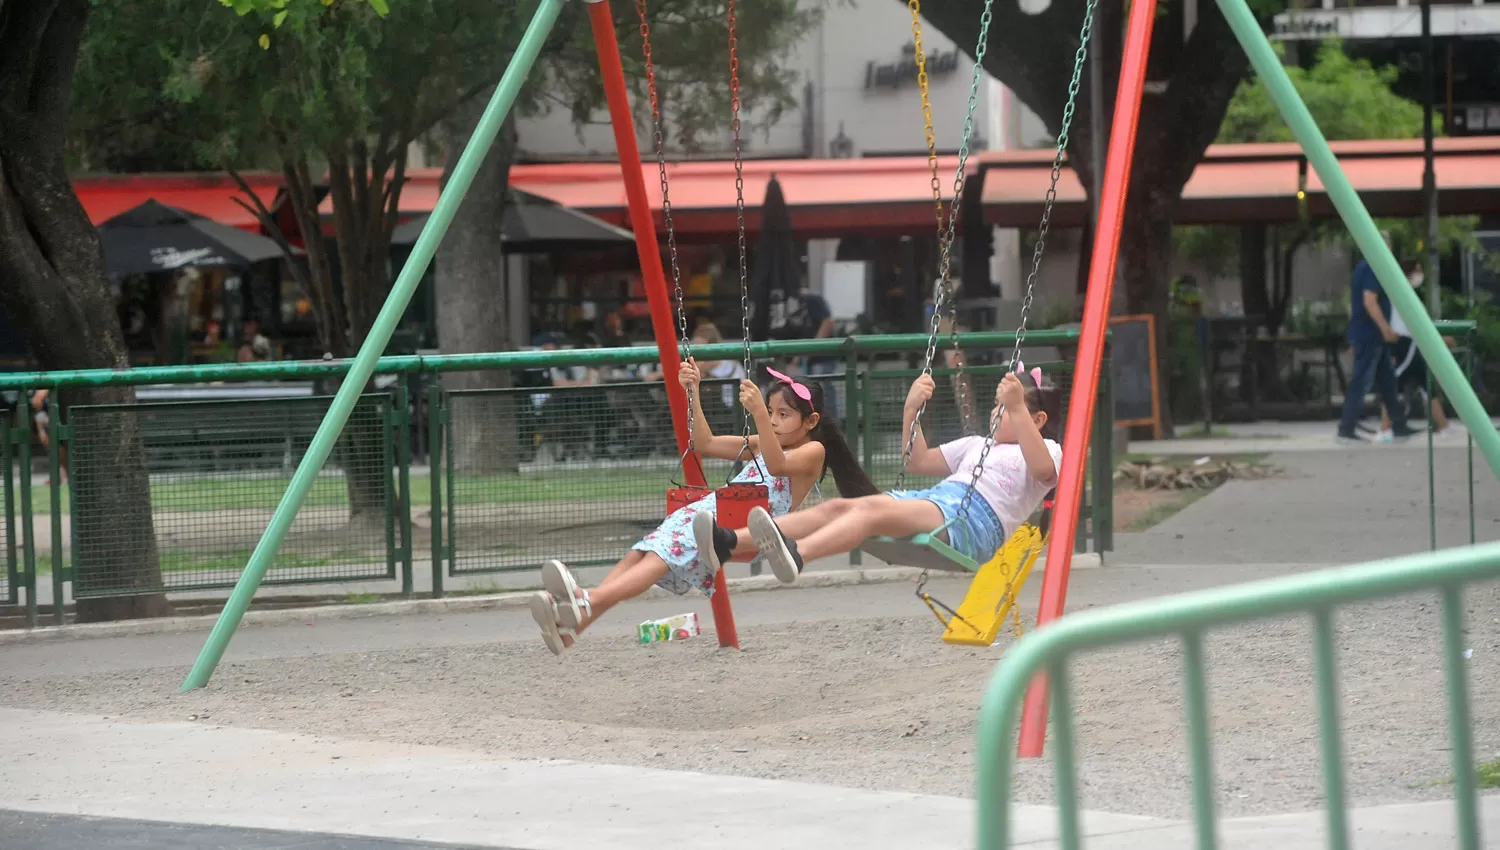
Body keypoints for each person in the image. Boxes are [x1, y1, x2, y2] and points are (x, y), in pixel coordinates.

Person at [528, 362, 876, 654]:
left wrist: (756, 413)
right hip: (710, 511)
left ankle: (584, 599)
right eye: (770, 412)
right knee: (642, 552)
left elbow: (777, 465)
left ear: (810, 422)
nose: (772, 420)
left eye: (783, 415)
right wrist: (692, 392)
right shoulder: (765, 439)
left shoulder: (813, 452)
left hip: (741, 530)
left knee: (661, 556)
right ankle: (574, 625)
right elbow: (703, 443)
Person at [694, 368, 1061, 583]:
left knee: (866, 515)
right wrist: (910, 409)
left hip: (973, 523)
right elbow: (917, 461)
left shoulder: (1048, 451)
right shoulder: (976, 444)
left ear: (1038, 420)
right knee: (837, 508)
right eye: (998, 407)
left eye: (1007, 411)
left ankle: (798, 555)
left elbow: (1045, 472)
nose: (997, 414)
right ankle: (728, 542)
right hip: (939, 501)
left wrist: (1017, 404)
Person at [1337, 254, 1415, 443]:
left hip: (1372, 334)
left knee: (1388, 382)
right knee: (1361, 381)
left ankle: (1398, 425)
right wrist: (1386, 329)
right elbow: (1369, 301)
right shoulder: (1373, 267)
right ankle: (1346, 429)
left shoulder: (1365, 268)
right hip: (1370, 335)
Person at [1378, 261, 1456, 439]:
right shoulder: (1401, 294)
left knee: (1426, 383)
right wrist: (1439, 340)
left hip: (1408, 343)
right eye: (1418, 270)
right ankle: (1384, 428)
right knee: (1396, 384)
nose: (1420, 275)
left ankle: (1443, 426)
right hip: (1404, 344)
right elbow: (1416, 324)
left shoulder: (1402, 293)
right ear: (1408, 274)